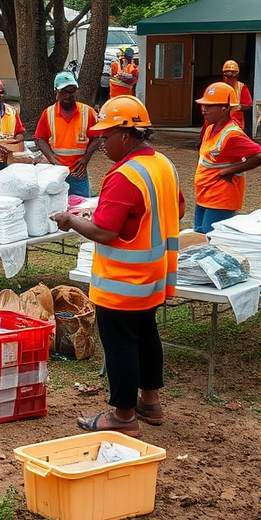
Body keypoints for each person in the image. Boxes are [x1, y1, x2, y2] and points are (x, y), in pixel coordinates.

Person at [52, 95, 184, 436]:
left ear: (126, 135)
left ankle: (123, 416)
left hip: (123, 281)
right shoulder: (163, 164)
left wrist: (70, 219)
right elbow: (176, 209)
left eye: (105, 136)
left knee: (121, 343)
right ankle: (149, 402)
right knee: (146, 335)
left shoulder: (124, 175)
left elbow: (104, 231)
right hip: (154, 275)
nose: (100, 143)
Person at [192, 82, 261, 234]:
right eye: (203, 105)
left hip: (220, 200)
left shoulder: (232, 135)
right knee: (200, 238)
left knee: (213, 241)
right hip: (204, 196)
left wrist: (231, 170)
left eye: (209, 105)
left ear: (225, 108)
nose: (204, 109)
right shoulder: (209, 128)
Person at [35, 71, 101, 197]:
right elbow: (40, 139)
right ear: (56, 92)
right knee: (56, 210)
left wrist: (86, 158)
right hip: (56, 173)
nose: (68, 95)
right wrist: (52, 159)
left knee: (80, 209)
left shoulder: (87, 112)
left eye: (71, 91)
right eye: (63, 92)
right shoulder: (48, 113)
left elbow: (97, 137)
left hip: (78, 173)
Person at [221, 60, 253, 130]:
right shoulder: (220, 87)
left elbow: (248, 105)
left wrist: (238, 107)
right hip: (222, 122)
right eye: (227, 76)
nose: (229, 80)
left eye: (231, 77)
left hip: (237, 124)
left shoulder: (242, 87)